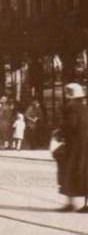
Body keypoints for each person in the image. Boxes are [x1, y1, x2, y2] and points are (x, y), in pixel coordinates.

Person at [56, 83, 88, 211]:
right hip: (85, 144)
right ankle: (86, 204)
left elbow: (71, 124)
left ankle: (70, 202)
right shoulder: (85, 107)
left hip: (74, 146)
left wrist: (59, 133)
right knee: (85, 173)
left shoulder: (71, 108)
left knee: (69, 171)